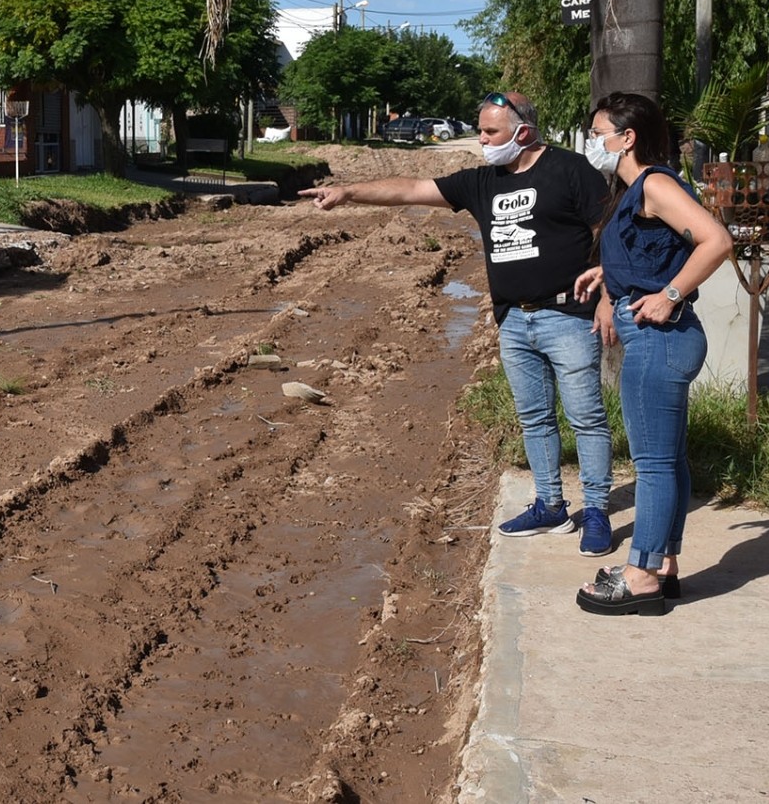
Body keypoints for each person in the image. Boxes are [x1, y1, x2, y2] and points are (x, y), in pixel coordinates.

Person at [300, 92, 616, 555]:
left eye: (490, 132)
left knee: (586, 418)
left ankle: (597, 512)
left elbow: (608, 229)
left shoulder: (570, 171)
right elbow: (411, 189)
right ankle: (550, 505)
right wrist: (349, 192)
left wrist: (608, 294)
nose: (482, 141)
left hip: (568, 314)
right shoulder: (480, 182)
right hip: (514, 319)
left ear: (522, 133)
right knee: (534, 418)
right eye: (481, 131)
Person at [573, 92, 733, 616]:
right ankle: (663, 565)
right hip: (658, 338)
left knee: (654, 464)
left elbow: (715, 240)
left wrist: (668, 296)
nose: (593, 141)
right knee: (670, 460)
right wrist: (611, 275)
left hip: (658, 337)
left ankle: (640, 574)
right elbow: (657, 250)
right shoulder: (634, 190)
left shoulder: (655, 183)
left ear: (627, 137)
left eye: (599, 132)